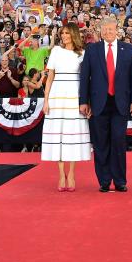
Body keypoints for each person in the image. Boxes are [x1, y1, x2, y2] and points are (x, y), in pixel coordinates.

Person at [79, 15, 132, 193]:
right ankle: (104, 181)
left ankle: (120, 181)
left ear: (117, 31)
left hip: (121, 103)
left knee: (118, 141)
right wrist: (83, 101)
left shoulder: (128, 49)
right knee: (100, 143)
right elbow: (85, 77)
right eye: (105, 29)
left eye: (111, 29)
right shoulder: (92, 50)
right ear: (101, 31)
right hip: (98, 103)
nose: (108, 32)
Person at [41, 22, 91, 191]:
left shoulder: (83, 54)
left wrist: (86, 101)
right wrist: (46, 100)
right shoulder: (55, 51)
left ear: (74, 35)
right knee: (59, 135)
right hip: (57, 96)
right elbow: (49, 78)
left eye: (67, 33)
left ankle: (72, 174)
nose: (64, 36)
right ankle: (61, 175)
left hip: (75, 96)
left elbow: (86, 80)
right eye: (62, 33)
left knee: (72, 135)